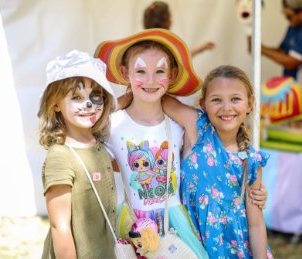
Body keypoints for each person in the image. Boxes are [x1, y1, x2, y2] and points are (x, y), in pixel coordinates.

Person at [95, 28, 209, 258]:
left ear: (173, 74)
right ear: (125, 72)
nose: (150, 80)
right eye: (140, 71)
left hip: (174, 223)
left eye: (160, 71)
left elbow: (198, 129)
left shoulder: (178, 125)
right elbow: (104, 165)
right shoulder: (112, 125)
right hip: (134, 224)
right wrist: (117, 104)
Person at [162, 65, 273, 258]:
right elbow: (159, 99)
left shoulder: (252, 160)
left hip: (236, 249)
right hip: (191, 245)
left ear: (250, 104)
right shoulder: (197, 128)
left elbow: (255, 224)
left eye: (235, 99)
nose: (226, 107)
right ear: (203, 104)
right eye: (216, 100)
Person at [38, 50, 118, 258]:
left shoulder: (101, 146)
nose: (89, 105)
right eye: (76, 97)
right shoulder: (60, 156)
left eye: (96, 96)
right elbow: (60, 226)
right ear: (55, 104)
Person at [261, 0, 302, 86]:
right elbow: (282, 51)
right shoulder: (294, 26)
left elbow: (291, 63)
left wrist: (261, 49)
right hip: (292, 87)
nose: (287, 19)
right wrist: (259, 47)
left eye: (289, 16)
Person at [143, 1, 215, 57]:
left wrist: (201, 48)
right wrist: (201, 48)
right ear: (165, 21)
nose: (172, 20)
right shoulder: (166, 42)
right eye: (170, 17)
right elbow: (182, 57)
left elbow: (181, 56)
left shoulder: (143, 42)